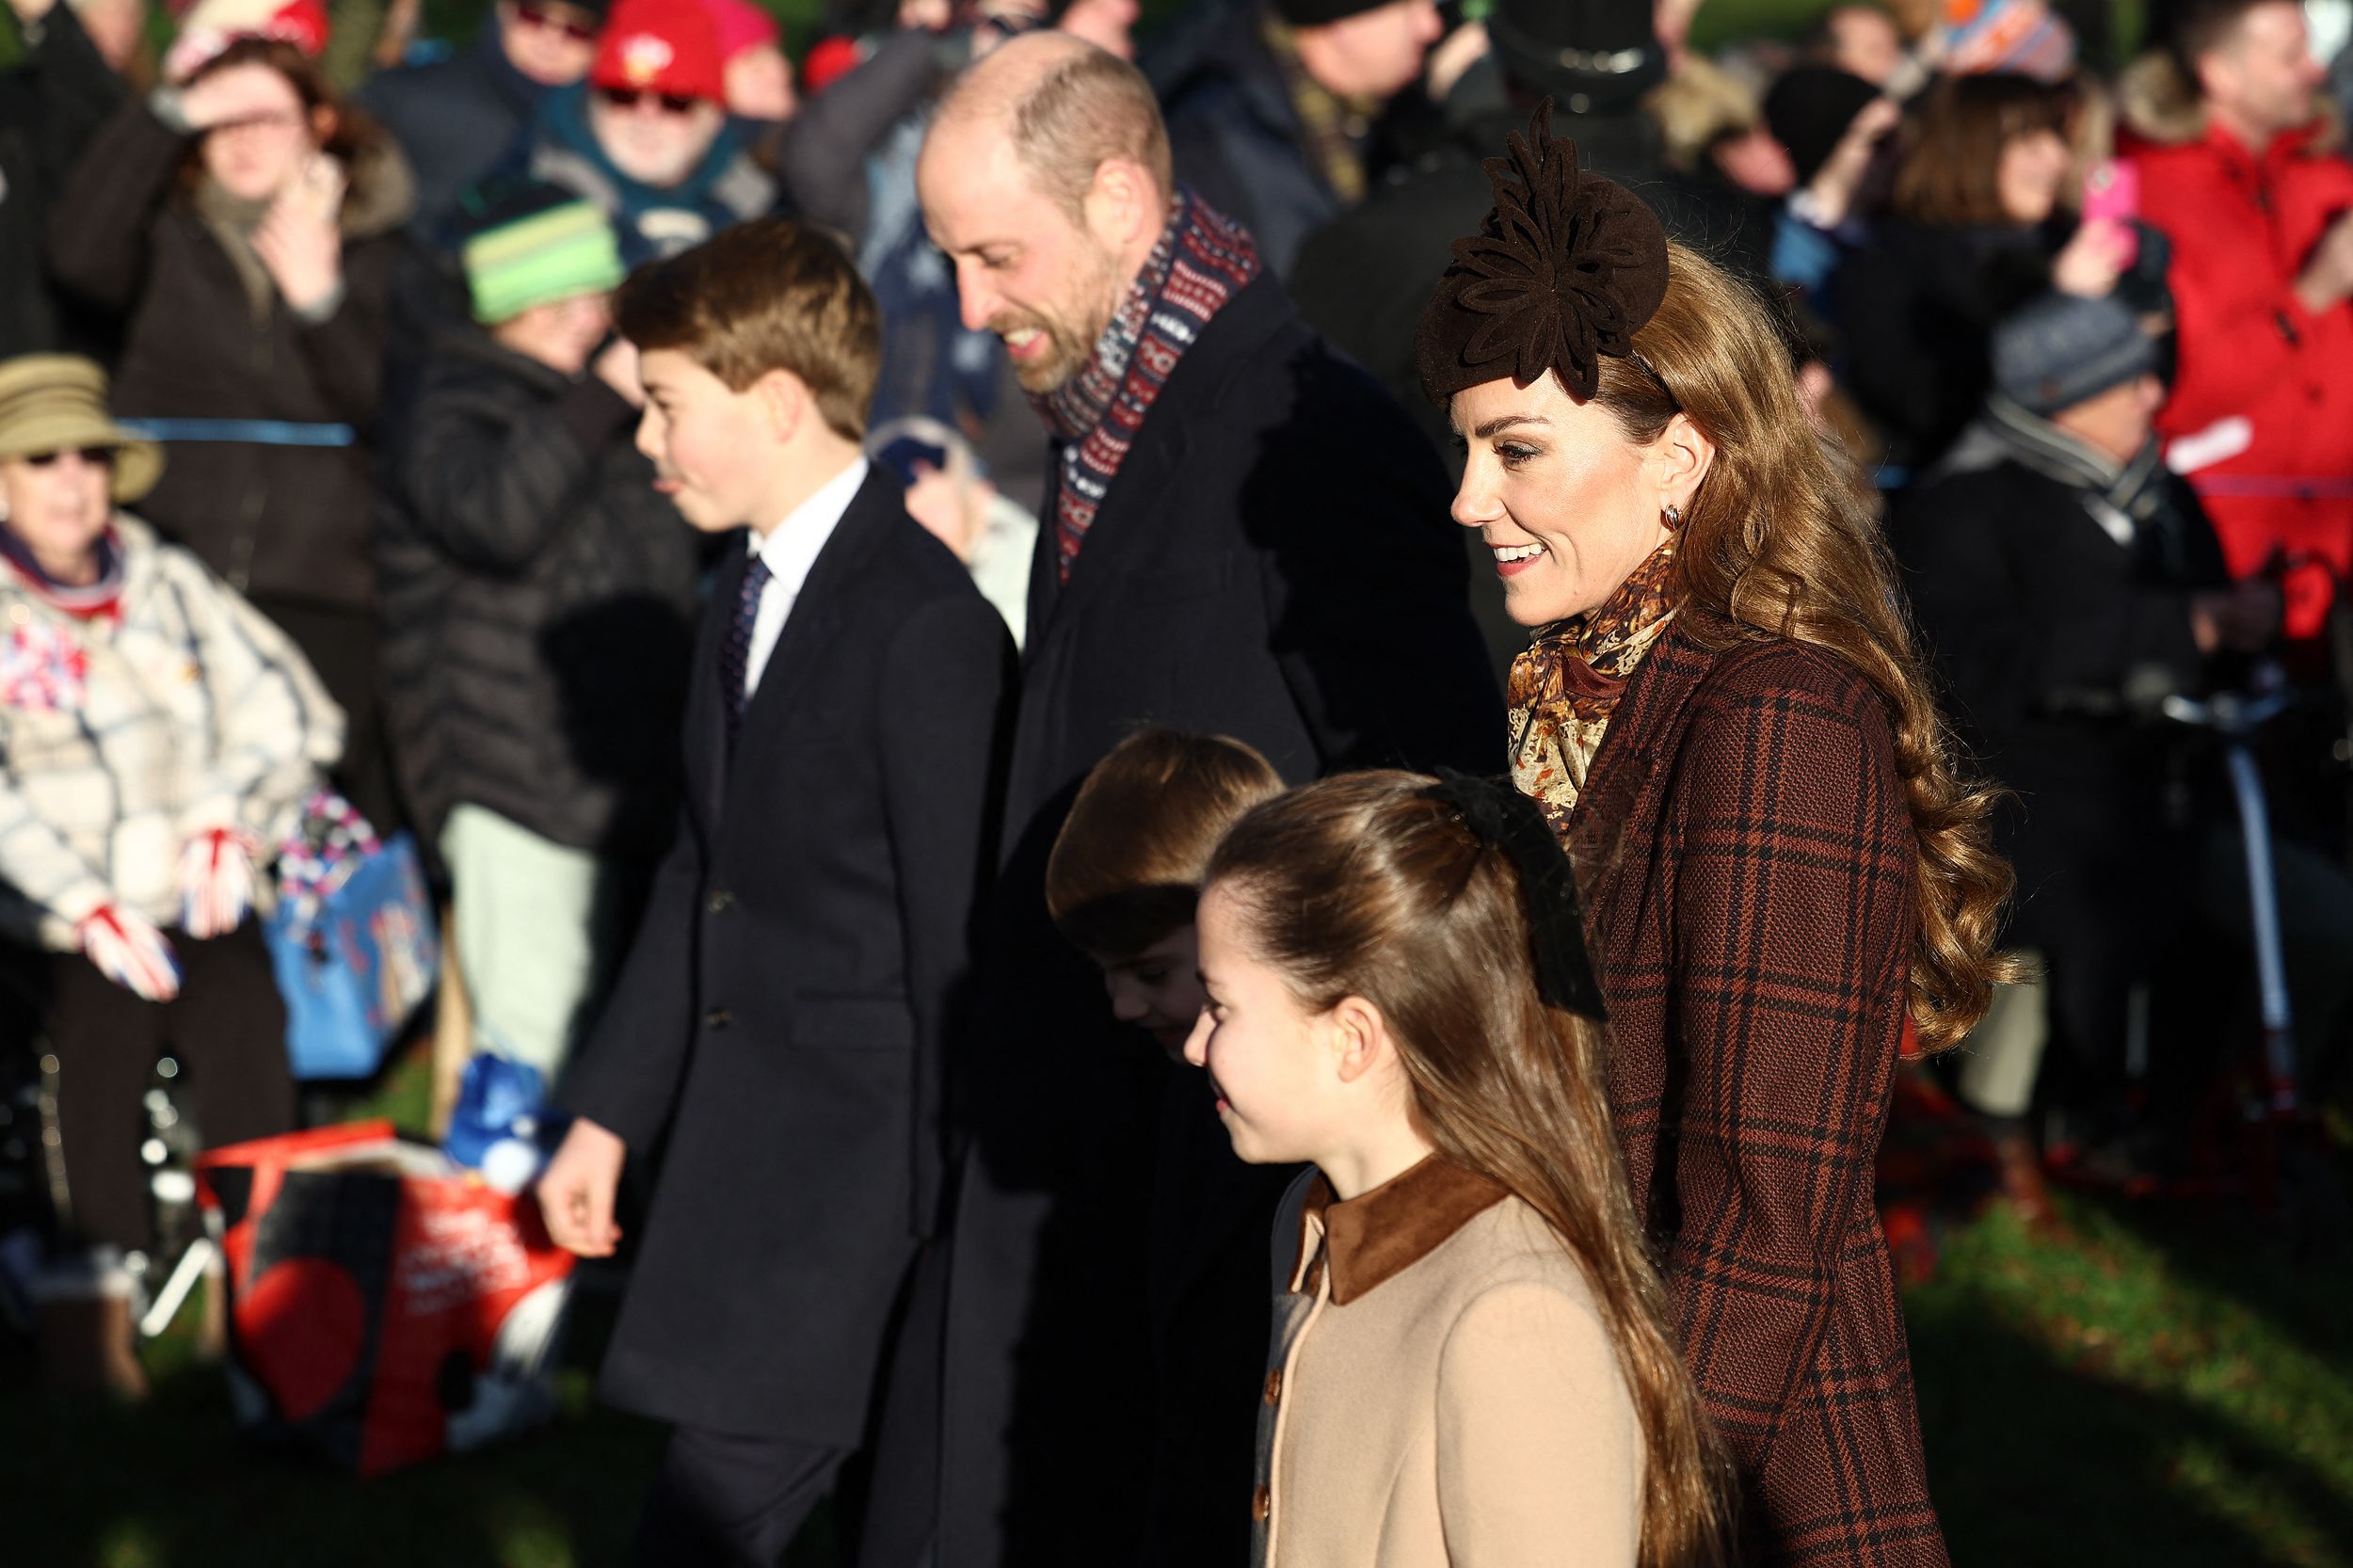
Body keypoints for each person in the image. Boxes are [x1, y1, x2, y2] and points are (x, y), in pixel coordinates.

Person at [911, 33, 1499, 1566]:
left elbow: (1422, 800)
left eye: (995, 256)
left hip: (1216, 1164)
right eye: (949, 261)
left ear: (1118, 200)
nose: (969, 308)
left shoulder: (1309, 440)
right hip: (1092, 1137)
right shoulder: (1108, 412)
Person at [1417, 106, 2016, 1564]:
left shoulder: (1775, 714)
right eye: (1467, 449)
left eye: (1515, 450)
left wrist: (1629, 1507)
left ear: (1680, 456)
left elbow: (1764, 1217)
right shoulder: (1585, 687)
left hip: (1735, 1476)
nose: (1468, 499)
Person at [534, 218, 1014, 1566]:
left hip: (865, 1196)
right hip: (760, 1172)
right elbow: (707, 866)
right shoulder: (740, 594)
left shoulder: (925, 627)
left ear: (779, 400)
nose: (647, 441)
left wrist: (945, 1222)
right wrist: (610, 1113)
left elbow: (960, 947)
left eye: (667, 406)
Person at [1190, 770, 1728, 1568]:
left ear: (1351, 1038)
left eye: (1220, 1006)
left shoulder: (1514, 1317)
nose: (1195, 1044)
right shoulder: (1309, 1223)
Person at [1894, 292, 2353, 1173]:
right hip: (2029, 806)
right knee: (2046, 953)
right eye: (2126, 381)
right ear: (2060, 398)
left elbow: (2208, 637)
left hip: (2178, 798)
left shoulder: (2161, 497)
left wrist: (2243, 629)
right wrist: (2179, 630)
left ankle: (2221, 1113)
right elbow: (1965, 672)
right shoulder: (1962, 508)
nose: (2153, 395)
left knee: (2320, 923)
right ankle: (1998, 1147)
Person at [0, 354, 342, 1398]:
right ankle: (90, 1308)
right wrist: (81, 904)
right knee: (94, 1040)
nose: (73, 482)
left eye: (89, 457)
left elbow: (290, 711)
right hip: (61, 913)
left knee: (246, 1022)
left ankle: (256, 1288)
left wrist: (230, 821)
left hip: (199, 890)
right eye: (42, 460)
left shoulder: (168, 581)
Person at [376, 184, 698, 1095]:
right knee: (533, 1050)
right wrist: (601, 397)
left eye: (594, 295)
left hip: (616, 773)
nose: (587, 317)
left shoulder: (595, 407)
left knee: (616, 1054)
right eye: (559, 299)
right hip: (508, 779)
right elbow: (494, 516)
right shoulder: (449, 399)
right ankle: (502, 1186)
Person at [46, 32, 413, 831]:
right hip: (169, 578)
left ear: (319, 125)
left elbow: (394, 410)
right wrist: (168, 110)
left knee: (308, 828)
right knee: (167, 820)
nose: (244, 140)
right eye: (221, 119)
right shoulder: (157, 231)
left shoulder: (379, 249)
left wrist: (321, 302)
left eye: (267, 119)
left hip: (322, 591)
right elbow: (75, 259)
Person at [1038, 726, 1294, 1568]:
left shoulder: (1297, 1124)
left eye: (1151, 973)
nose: (1121, 1006)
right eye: (1105, 974)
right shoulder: (1171, 1090)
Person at [2118, 0, 2353, 644]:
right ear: (2218, 73)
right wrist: (2314, 293)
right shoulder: (2148, 195)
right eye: (2290, 56)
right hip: (2218, 573)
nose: (2315, 71)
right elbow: (2170, 397)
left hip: (2333, 566)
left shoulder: (2328, 176)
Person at [1835, 72, 2149, 475]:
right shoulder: (1887, 267)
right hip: (1970, 493)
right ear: (1970, 151)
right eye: (2030, 143)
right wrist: (2056, 301)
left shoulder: (2061, 240)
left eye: (2058, 138)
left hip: (2100, 478)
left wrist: (2142, 293)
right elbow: (1927, 405)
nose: (2058, 159)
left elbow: (2144, 377)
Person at [1147, 0, 1444, 276]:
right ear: (1341, 21)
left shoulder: (1392, 119)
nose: (1431, 27)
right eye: (1409, 8)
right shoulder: (1208, 146)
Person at [527, 0, 777, 264]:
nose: (646, 118)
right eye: (623, 96)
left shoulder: (763, 214)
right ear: (593, 106)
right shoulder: (535, 207)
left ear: (714, 117)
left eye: (675, 101)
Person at [358, 0, 605, 240]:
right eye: (533, 16)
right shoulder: (406, 96)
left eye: (578, 30)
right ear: (505, 10)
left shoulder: (612, 139)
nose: (550, 41)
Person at [0, 0, 126, 361]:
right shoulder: (19, 104)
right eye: (106, 12)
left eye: (126, 14)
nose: (121, 27)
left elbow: (113, 134)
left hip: (60, 363)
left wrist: (50, 19)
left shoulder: (21, 107)